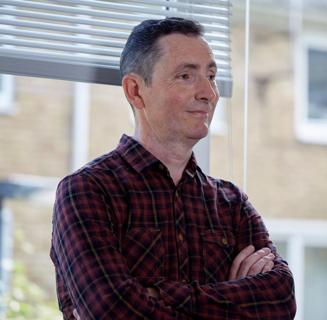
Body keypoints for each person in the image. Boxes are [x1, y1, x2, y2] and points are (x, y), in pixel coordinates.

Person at [50, 17, 296, 320]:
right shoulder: (87, 191)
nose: (209, 93)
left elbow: (281, 300)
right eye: (185, 76)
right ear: (136, 91)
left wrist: (157, 294)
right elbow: (113, 311)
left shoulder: (231, 203)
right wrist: (233, 294)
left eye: (211, 75)